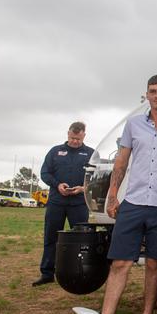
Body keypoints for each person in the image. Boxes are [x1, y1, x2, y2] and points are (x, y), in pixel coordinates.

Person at [74, 75, 157, 314]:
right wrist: (113, 195)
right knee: (120, 262)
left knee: (154, 263)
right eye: (152, 91)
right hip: (133, 203)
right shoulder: (133, 125)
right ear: (147, 95)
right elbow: (122, 161)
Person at [34, 122, 94, 287]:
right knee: (51, 237)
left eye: (78, 138)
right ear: (68, 134)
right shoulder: (55, 151)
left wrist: (83, 188)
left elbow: (97, 177)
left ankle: (82, 273)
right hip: (56, 202)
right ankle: (47, 273)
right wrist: (57, 184)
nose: (75, 141)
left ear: (84, 135)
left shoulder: (91, 153)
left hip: (79, 204)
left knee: (83, 240)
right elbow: (45, 172)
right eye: (72, 138)